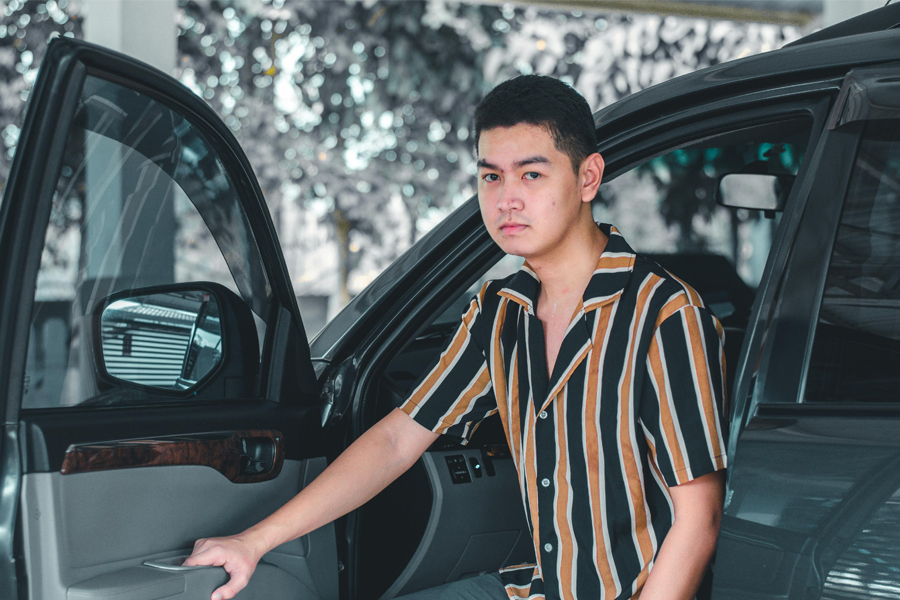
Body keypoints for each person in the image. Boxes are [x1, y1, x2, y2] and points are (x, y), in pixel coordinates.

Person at [185, 74, 727, 600]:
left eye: (531, 175)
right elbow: (398, 439)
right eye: (491, 176)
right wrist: (254, 541)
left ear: (588, 178)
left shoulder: (664, 313)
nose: (506, 199)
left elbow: (698, 519)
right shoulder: (499, 312)